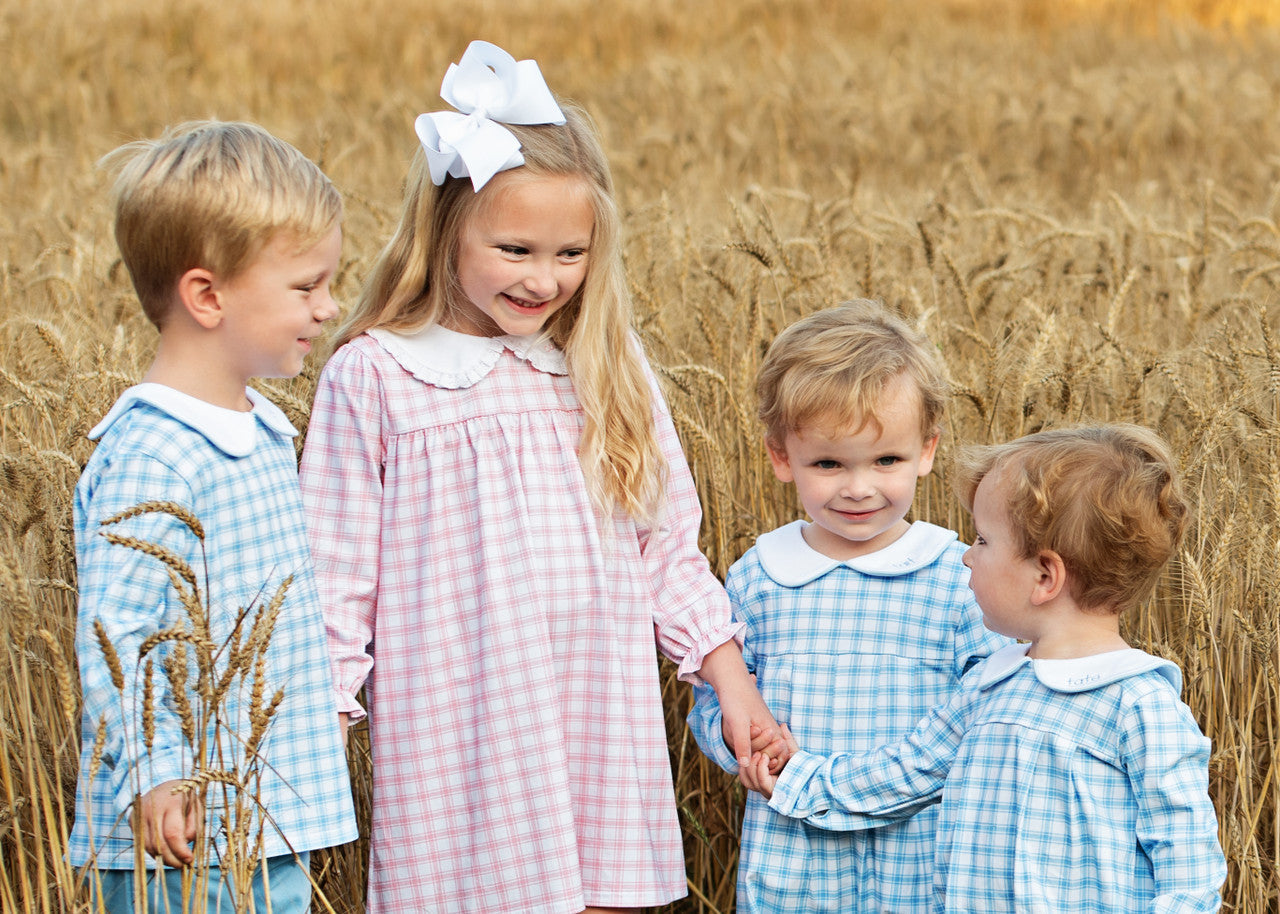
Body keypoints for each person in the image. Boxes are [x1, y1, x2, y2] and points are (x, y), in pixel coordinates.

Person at [298, 41, 781, 914]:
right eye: (515, 248)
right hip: (463, 723)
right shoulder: (376, 375)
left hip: (598, 704)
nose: (545, 279)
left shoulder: (602, 361)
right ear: (446, 229)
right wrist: (322, 719)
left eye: (571, 253)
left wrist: (730, 680)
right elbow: (335, 575)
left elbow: (666, 546)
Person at [749, 424, 1228, 912]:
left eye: (982, 540)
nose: (965, 556)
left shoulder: (1139, 704)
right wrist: (797, 777)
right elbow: (905, 771)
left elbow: (1188, 869)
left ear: (1045, 576)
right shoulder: (989, 684)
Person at [69, 121, 358, 912]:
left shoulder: (262, 429)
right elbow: (117, 631)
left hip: (259, 829)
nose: (329, 307)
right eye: (306, 286)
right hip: (178, 843)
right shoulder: (154, 453)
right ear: (207, 295)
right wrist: (154, 771)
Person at [686, 300, 1009, 912]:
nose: (858, 488)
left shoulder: (958, 575)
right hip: (793, 855)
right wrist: (746, 750)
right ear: (782, 457)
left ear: (926, 450)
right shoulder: (760, 576)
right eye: (829, 463)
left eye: (886, 460)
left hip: (921, 856)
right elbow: (716, 696)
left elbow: (987, 703)